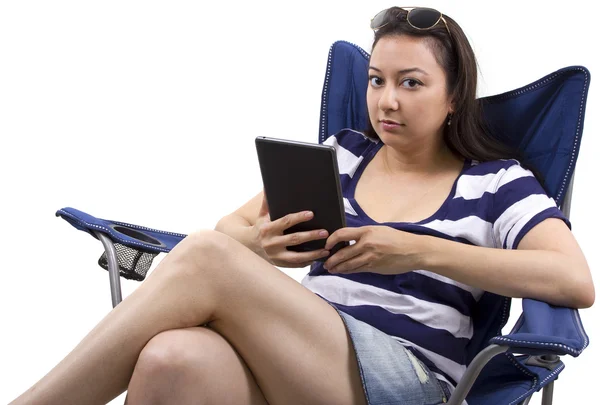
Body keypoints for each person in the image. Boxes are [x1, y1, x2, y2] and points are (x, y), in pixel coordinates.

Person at [9, 6, 594, 405]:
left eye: (411, 83)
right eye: (375, 80)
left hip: (405, 379)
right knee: (172, 358)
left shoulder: (495, 183)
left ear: (453, 95)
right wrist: (261, 245)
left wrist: (416, 250)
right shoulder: (342, 156)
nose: (386, 101)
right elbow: (230, 229)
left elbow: (573, 280)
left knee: (209, 258)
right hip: (298, 361)